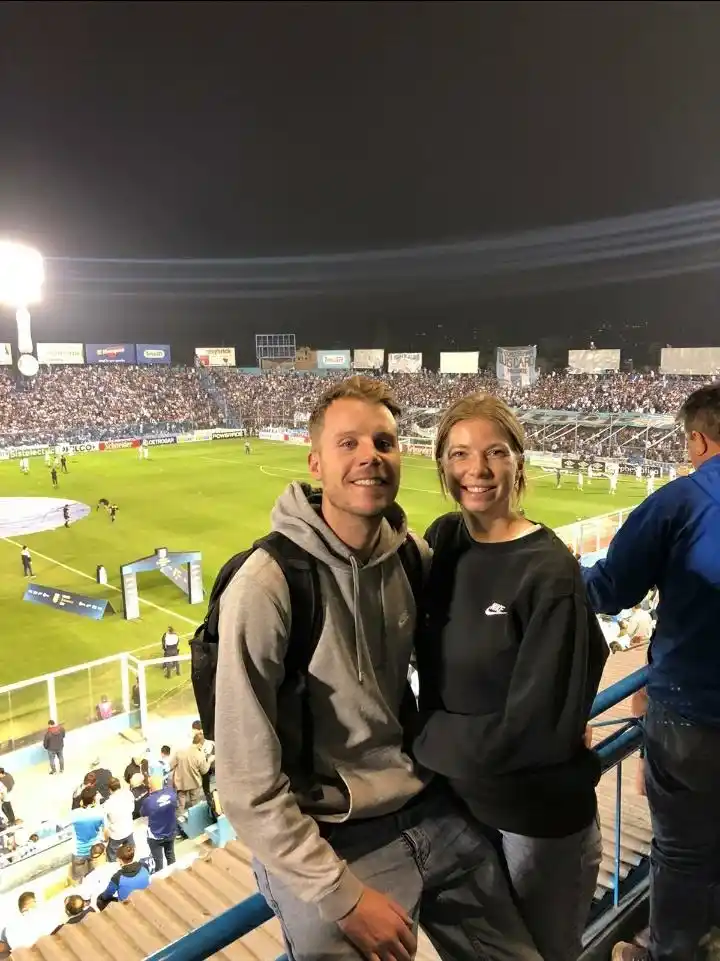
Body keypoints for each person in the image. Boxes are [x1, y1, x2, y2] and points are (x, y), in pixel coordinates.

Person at [216, 376, 542, 961]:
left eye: (384, 443)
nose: (370, 456)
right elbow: (244, 785)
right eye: (349, 444)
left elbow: (473, 658)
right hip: (333, 840)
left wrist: (553, 718)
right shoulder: (267, 586)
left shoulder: (412, 559)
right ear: (315, 461)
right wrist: (340, 896)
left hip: (428, 808)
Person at [413, 394, 607, 961]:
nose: (478, 470)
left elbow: (538, 731)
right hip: (461, 815)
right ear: (443, 465)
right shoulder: (445, 540)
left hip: (535, 824)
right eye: (461, 454)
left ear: (518, 462)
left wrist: (420, 737)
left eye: (495, 452)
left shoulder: (548, 570)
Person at [582, 384, 720, 961]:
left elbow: (610, 589)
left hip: (693, 711)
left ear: (697, 438)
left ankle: (670, 952)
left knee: (683, 849)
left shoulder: (681, 502)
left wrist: (534, 570)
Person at [141, 775, 178, 873]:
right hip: (171, 831)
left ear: (150, 786)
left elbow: (143, 813)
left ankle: (160, 880)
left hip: (155, 836)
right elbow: (175, 805)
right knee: (170, 855)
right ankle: (174, 875)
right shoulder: (171, 793)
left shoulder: (149, 801)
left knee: (158, 862)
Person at [96, 842, 151, 909]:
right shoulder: (144, 866)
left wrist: (102, 897)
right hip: (143, 897)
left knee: (100, 899)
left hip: (128, 905)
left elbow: (108, 894)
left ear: (120, 860)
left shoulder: (118, 877)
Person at [69, 787, 105, 881]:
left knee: (78, 878)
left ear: (81, 800)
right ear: (94, 800)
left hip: (78, 851)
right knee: (92, 876)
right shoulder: (100, 813)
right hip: (94, 849)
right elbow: (105, 831)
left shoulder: (74, 814)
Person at [172, 733, 212, 815]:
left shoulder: (180, 751)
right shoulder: (199, 755)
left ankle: (180, 821)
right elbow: (204, 771)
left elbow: (172, 765)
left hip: (180, 783)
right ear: (201, 744)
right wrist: (209, 761)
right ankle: (194, 820)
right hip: (194, 783)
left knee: (180, 805)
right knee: (195, 805)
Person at [103, 777, 135, 862]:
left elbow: (105, 820)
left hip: (116, 834)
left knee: (111, 853)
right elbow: (132, 808)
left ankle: (113, 868)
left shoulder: (108, 803)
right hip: (128, 829)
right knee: (130, 850)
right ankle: (129, 862)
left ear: (109, 789)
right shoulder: (128, 794)